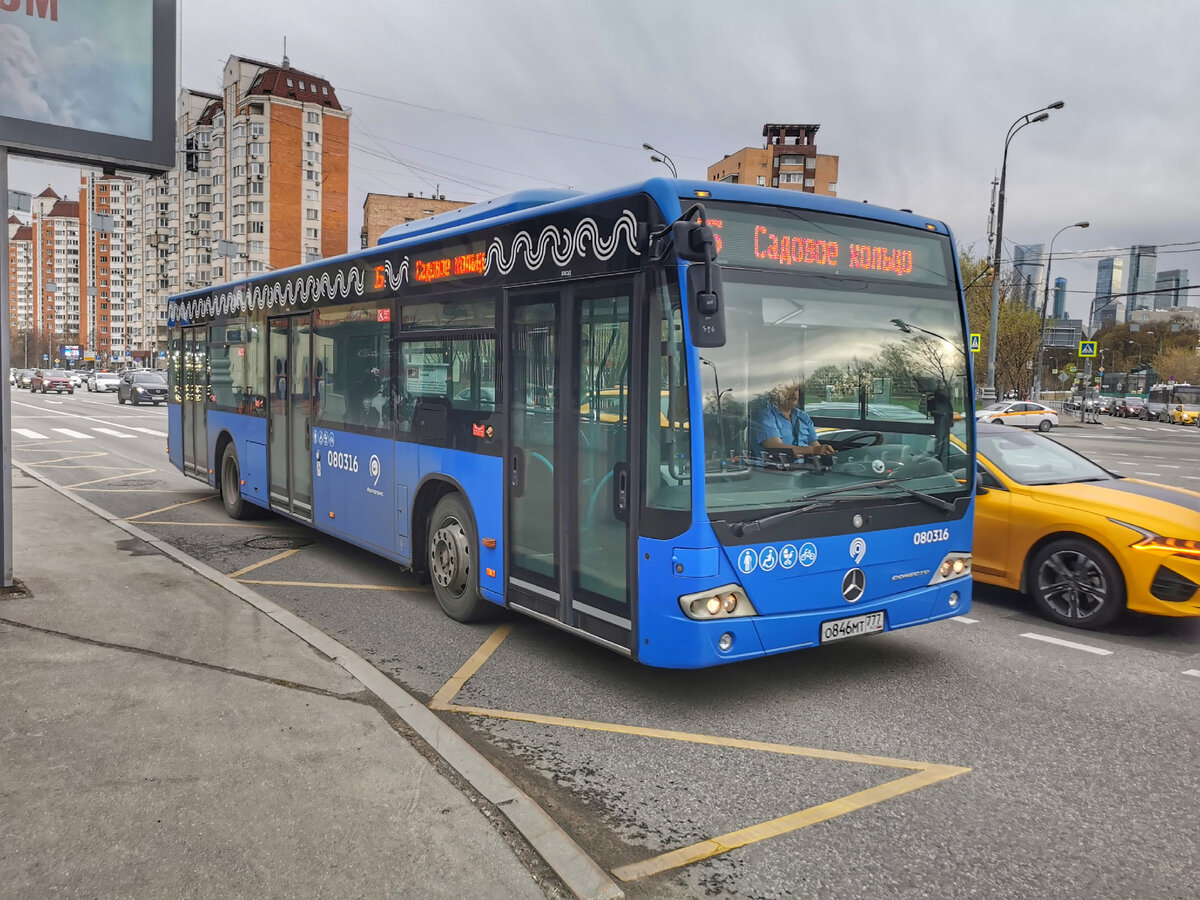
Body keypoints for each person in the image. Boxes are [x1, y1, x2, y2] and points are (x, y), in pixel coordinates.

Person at [752, 381, 835, 459]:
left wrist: (825, 450)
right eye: (787, 389)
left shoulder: (803, 416)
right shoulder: (765, 416)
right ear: (775, 394)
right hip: (774, 470)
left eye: (795, 390)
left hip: (804, 469)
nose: (793, 394)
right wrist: (813, 450)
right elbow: (775, 447)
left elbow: (815, 444)